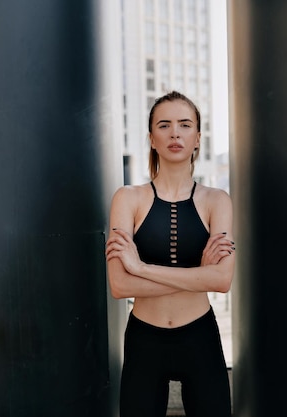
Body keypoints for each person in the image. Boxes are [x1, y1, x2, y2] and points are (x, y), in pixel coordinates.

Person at [105, 90, 235, 417]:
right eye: (164, 125)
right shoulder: (127, 199)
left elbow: (222, 280)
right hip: (144, 341)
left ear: (197, 139)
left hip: (199, 337)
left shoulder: (217, 201)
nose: (175, 132)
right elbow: (120, 286)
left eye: (185, 124)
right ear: (151, 138)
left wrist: (142, 268)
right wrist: (197, 276)